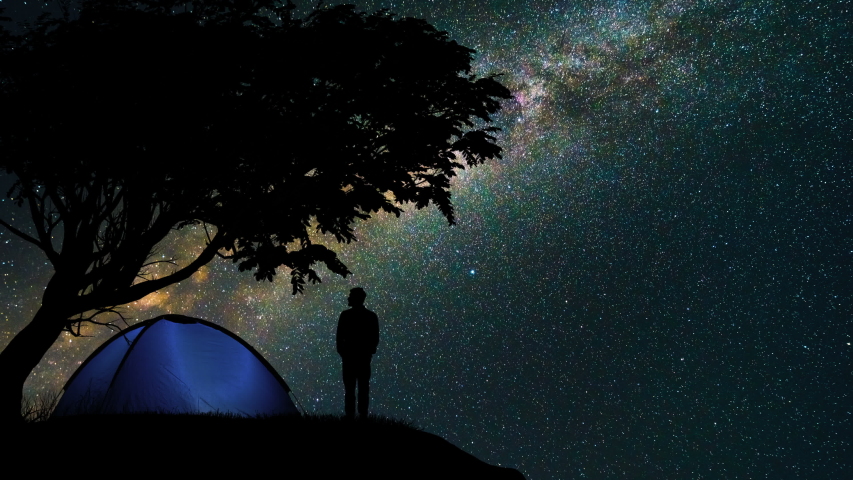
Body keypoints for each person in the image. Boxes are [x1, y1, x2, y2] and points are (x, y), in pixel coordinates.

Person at [336, 287, 380, 419]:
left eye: (351, 296)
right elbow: (375, 338)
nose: (348, 298)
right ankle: (360, 415)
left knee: (354, 388)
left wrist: (343, 351)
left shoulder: (346, 315)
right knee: (361, 387)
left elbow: (339, 337)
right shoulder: (370, 316)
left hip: (354, 356)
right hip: (359, 357)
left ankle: (354, 415)